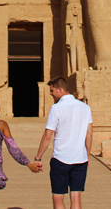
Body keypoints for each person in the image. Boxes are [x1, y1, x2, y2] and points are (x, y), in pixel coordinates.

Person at [33, 77, 93, 209]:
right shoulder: (85, 108)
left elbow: (48, 136)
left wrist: (38, 157)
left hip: (61, 159)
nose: (50, 94)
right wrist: (87, 156)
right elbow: (89, 134)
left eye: (52, 90)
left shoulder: (56, 108)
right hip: (80, 159)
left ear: (60, 89)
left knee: (58, 196)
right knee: (76, 197)